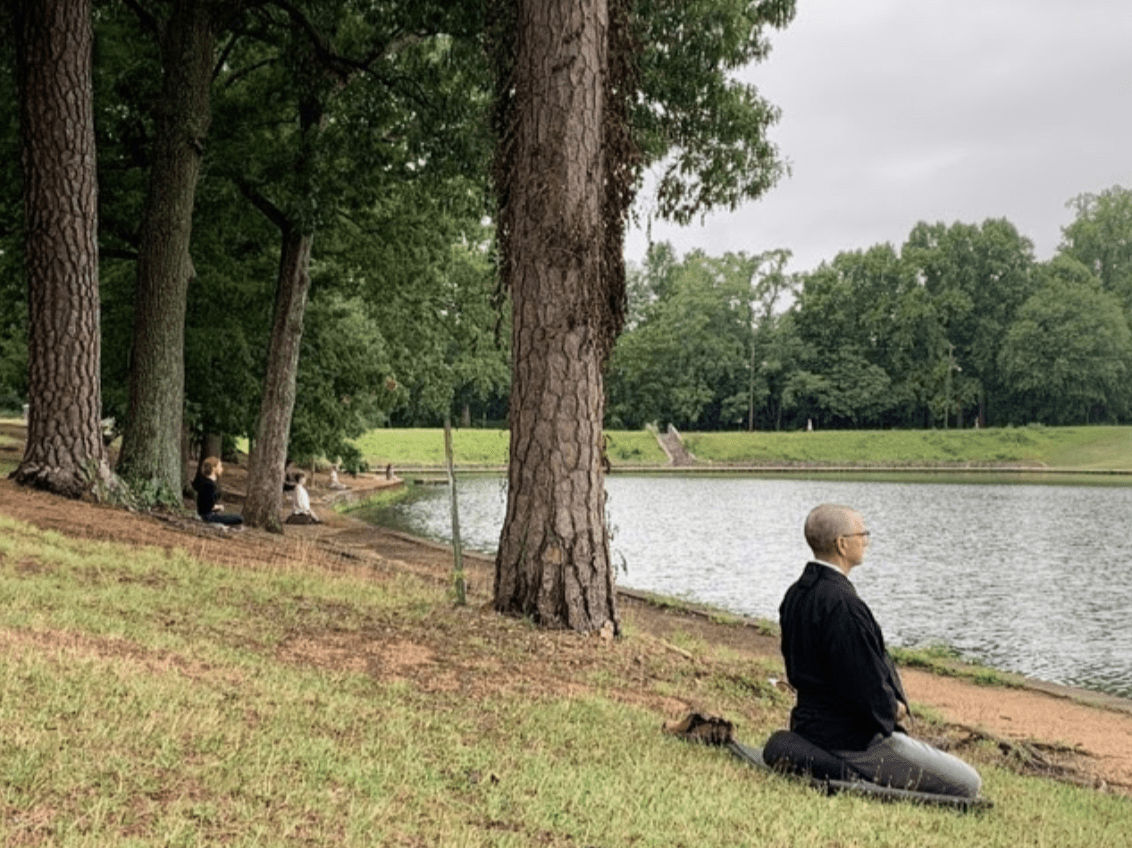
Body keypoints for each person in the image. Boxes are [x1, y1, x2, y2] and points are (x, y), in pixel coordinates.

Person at [777, 503, 981, 798]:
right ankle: (856, 772)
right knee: (968, 782)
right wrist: (892, 709)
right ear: (842, 544)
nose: (867, 540)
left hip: (809, 726)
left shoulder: (796, 593)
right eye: (863, 533)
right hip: (852, 741)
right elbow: (863, 682)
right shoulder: (843, 605)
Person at [193, 456, 243, 527]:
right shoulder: (209, 485)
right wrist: (219, 507)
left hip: (208, 515)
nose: (221, 468)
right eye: (220, 466)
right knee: (239, 518)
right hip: (208, 516)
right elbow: (208, 507)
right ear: (214, 468)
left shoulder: (205, 482)